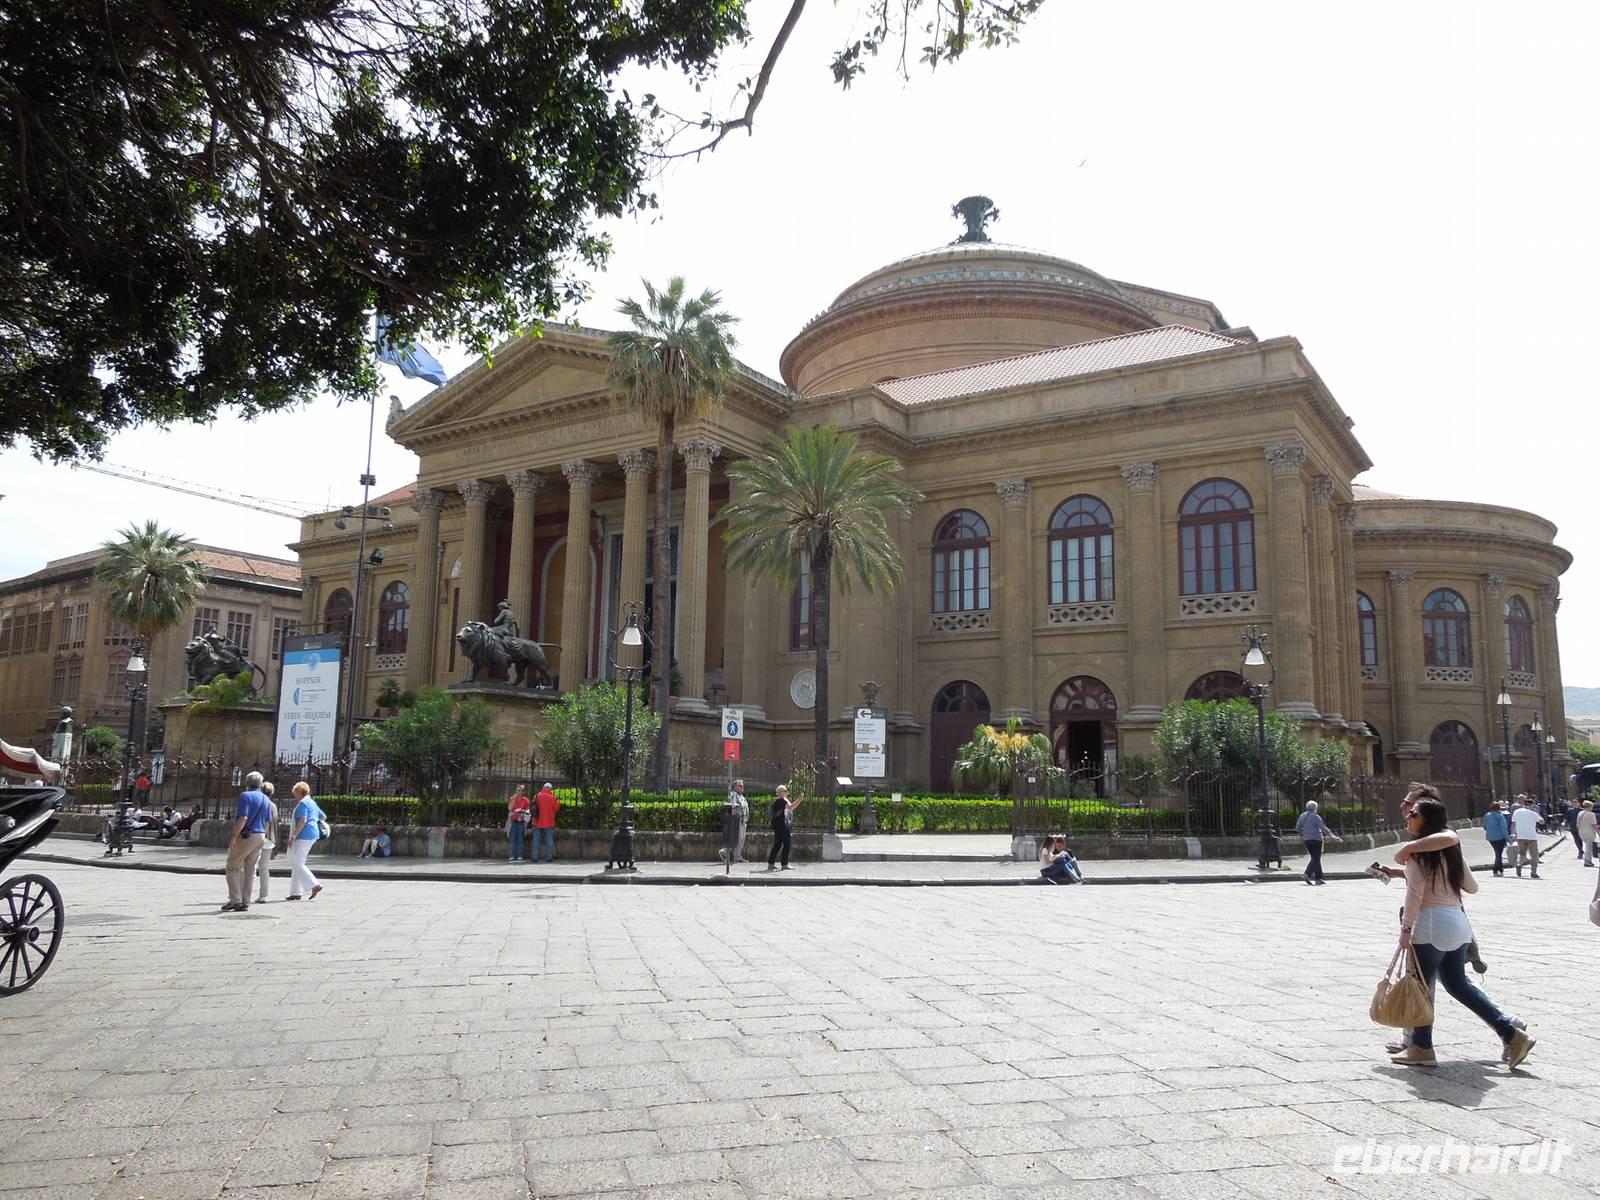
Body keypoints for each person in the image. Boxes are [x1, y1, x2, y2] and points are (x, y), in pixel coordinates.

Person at [1387, 796, 1535, 1069]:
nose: (1408, 816)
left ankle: (1421, 1046)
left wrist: (1406, 929)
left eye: (1414, 813)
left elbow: (1415, 895)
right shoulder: (1451, 852)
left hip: (1430, 924)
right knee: (1458, 984)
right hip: (1457, 923)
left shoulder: (1417, 854)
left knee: (1421, 987)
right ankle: (1512, 1034)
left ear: (1427, 820)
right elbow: (1472, 887)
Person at [223, 771, 273, 912]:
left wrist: (234, 836)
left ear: (246, 783)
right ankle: (246, 900)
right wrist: (263, 833)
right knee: (250, 869)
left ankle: (235, 900)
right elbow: (268, 821)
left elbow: (243, 818)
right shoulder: (266, 799)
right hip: (260, 835)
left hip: (246, 836)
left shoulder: (246, 796)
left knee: (232, 867)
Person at [286, 781, 325, 901]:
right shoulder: (311, 802)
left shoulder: (303, 803)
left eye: (295, 793)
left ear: (299, 792)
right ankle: (295, 892)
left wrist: (293, 837)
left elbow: (302, 820)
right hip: (312, 834)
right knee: (298, 862)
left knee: (296, 862)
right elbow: (323, 816)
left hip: (303, 835)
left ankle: (314, 885)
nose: (294, 795)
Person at [1295, 800, 1343, 885]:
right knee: (1316, 858)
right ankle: (1307, 874)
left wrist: (1305, 832)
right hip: (1316, 839)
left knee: (1315, 858)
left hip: (1307, 840)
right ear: (1315, 808)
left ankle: (1318, 878)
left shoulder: (1302, 816)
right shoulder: (1315, 816)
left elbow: (1297, 828)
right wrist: (1333, 837)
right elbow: (1323, 828)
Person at [254, 782, 280, 903]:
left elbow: (266, 822)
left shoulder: (261, 803)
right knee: (264, 868)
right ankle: (264, 894)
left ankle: (245, 892)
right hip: (270, 839)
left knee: (250, 866)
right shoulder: (273, 805)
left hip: (260, 836)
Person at [766, 785, 803, 870]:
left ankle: (771, 863)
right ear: (780, 792)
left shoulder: (777, 801)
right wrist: (800, 799)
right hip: (782, 825)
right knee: (787, 844)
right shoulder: (781, 800)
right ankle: (784, 864)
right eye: (786, 791)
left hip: (778, 826)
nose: (787, 792)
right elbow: (791, 807)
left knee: (777, 845)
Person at [1511, 794, 1541, 878]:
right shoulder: (1533, 813)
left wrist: (1513, 834)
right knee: (1534, 855)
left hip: (1520, 836)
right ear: (1531, 805)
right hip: (1531, 837)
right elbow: (1542, 821)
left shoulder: (1516, 812)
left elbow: (1513, 824)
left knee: (1522, 853)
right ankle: (1533, 872)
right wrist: (1538, 814)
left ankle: (1519, 864)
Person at [719, 778, 749, 864]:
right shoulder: (734, 795)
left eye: (743, 786)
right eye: (740, 786)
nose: (742, 787)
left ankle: (737, 857)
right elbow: (733, 807)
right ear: (735, 786)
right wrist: (734, 818)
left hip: (743, 821)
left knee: (741, 840)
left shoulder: (741, 796)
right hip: (737, 820)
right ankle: (724, 852)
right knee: (735, 838)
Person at [530, 782, 559, 863]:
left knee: (536, 840)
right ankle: (549, 858)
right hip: (549, 821)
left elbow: (532, 805)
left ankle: (535, 857)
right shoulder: (553, 797)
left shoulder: (537, 796)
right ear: (550, 789)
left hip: (537, 821)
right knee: (549, 840)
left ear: (543, 787)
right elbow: (556, 809)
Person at [1481, 800, 1509, 877]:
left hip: (1490, 837)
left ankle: (1500, 869)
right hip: (1500, 837)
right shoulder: (1500, 816)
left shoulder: (1487, 815)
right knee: (1498, 854)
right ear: (1499, 808)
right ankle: (1496, 869)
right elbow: (1503, 829)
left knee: (1498, 853)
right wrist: (1508, 838)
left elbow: (1484, 826)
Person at [506, 785, 530, 861]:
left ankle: (520, 855)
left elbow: (528, 811)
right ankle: (512, 855)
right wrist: (514, 798)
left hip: (521, 821)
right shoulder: (512, 798)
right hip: (513, 820)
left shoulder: (525, 800)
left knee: (520, 838)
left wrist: (522, 813)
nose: (518, 792)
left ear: (523, 792)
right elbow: (509, 808)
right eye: (517, 790)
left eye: (520, 790)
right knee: (512, 838)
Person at [1578, 799, 1598, 868]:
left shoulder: (1580, 813)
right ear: (1589, 806)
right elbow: (1594, 825)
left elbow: (1578, 824)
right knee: (1589, 847)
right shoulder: (1591, 814)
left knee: (1587, 846)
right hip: (1589, 832)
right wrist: (1598, 832)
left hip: (1581, 832)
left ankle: (1589, 860)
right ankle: (1587, 861)